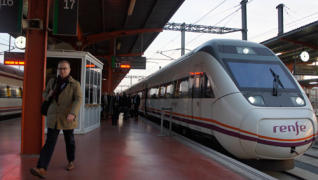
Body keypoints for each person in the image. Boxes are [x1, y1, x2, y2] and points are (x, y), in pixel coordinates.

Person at [30, 60, 83, 179]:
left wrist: (73, 113)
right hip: (54, 117)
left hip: (67, 117)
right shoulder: (52, 81)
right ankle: (41, 168)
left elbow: (78, 99)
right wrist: (47, 95)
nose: (62, 71)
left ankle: (71, 160)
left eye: (65, 68)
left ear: (69, 70)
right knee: (49, 143)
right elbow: (44, 93)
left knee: (69, 141)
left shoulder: (75, 84)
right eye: (60, 68)